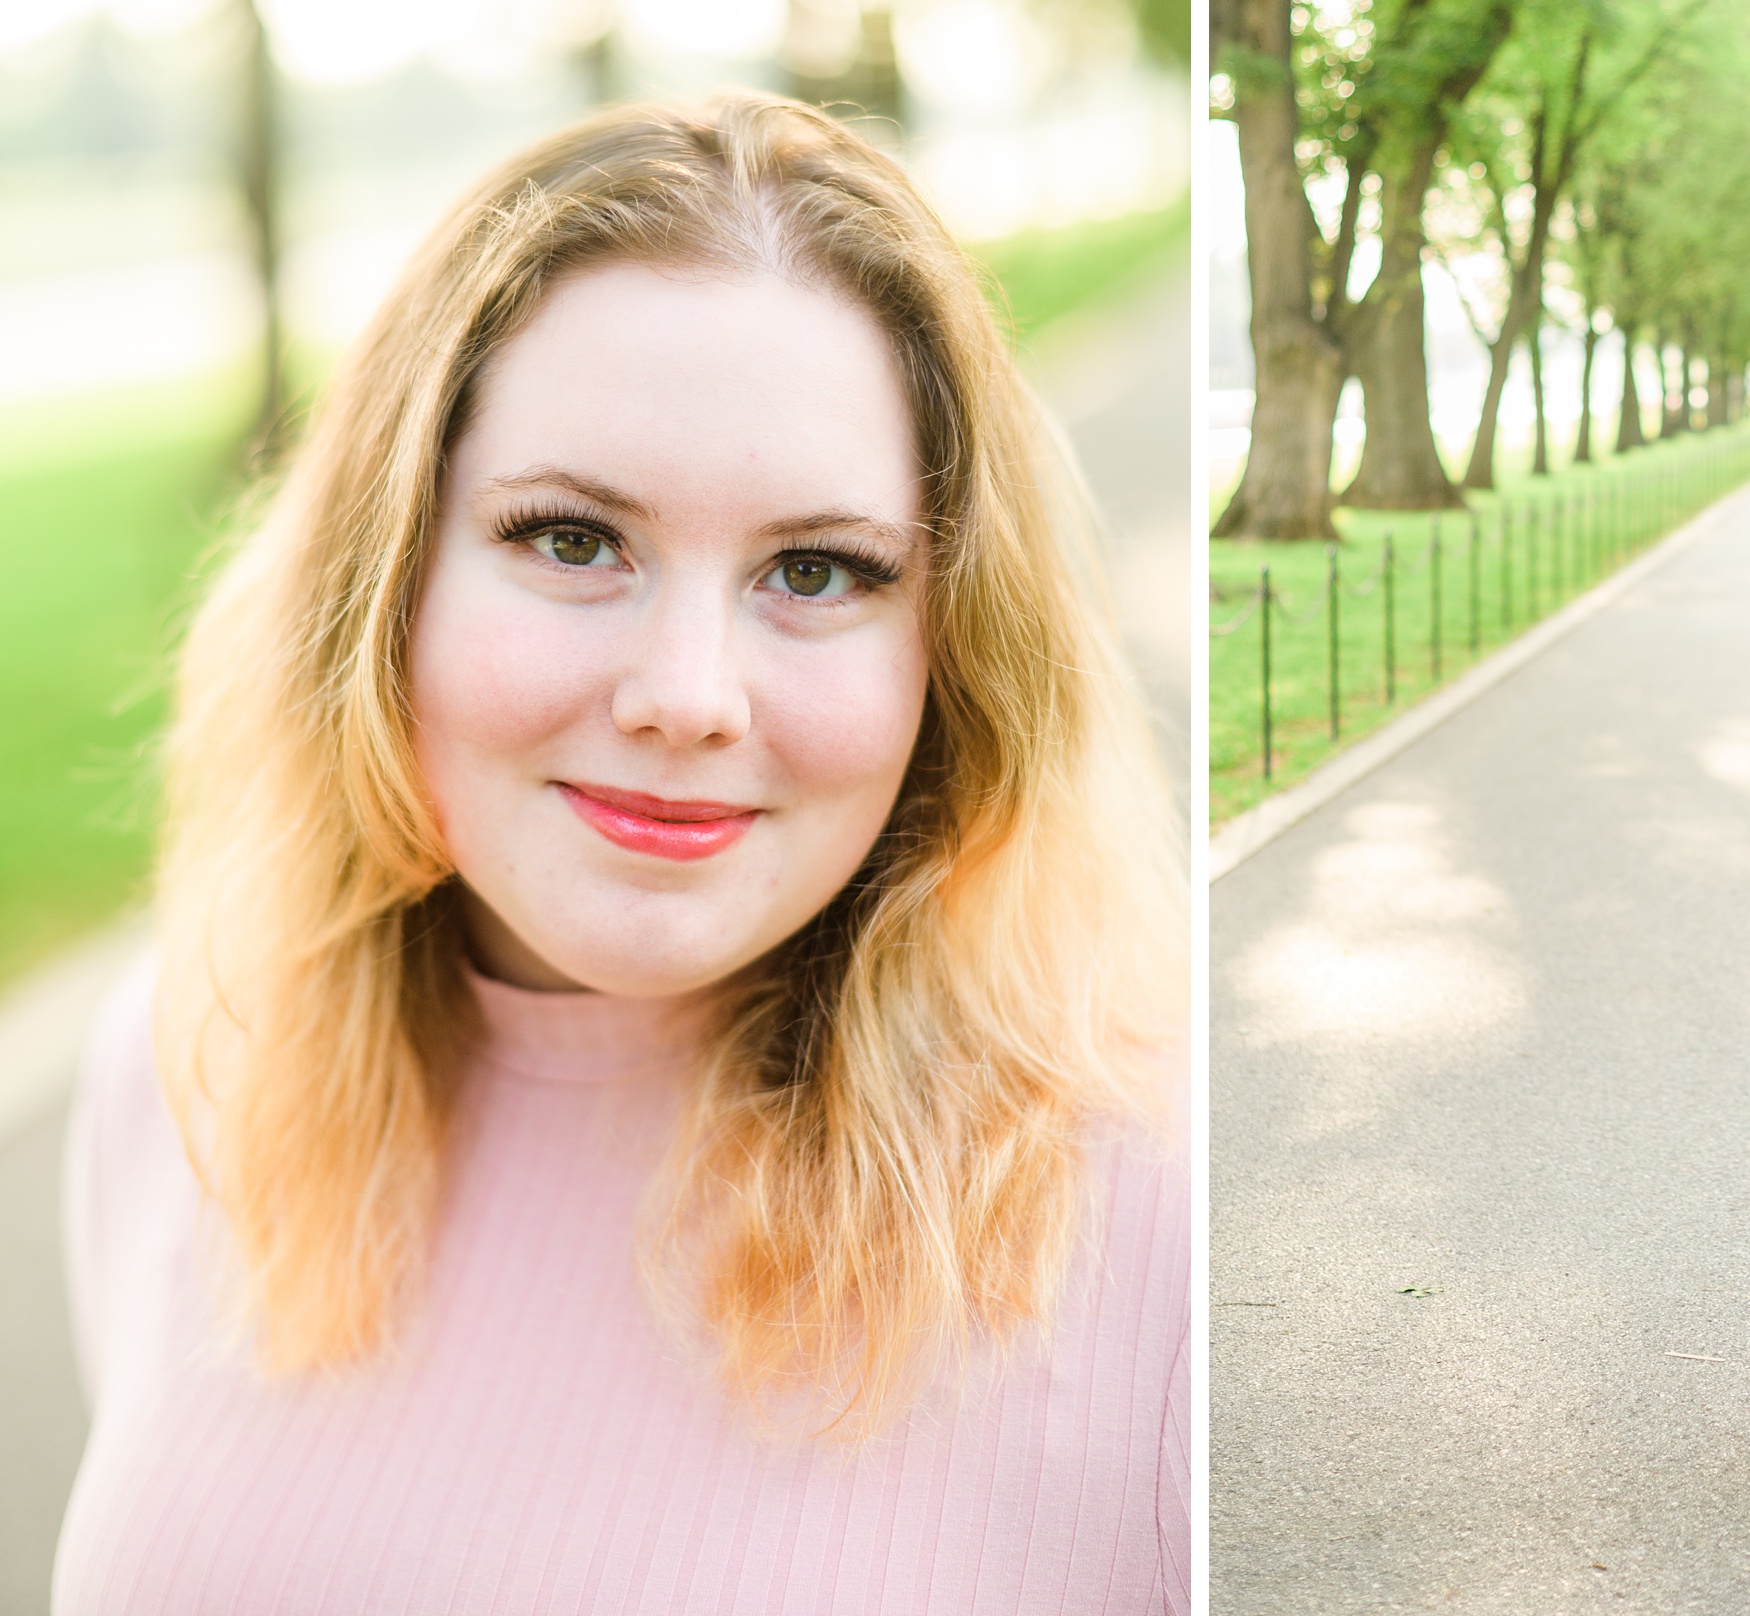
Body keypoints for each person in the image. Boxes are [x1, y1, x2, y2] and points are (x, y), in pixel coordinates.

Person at [53, 94, 1190, 1611]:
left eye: (816, 570)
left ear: (955, 654)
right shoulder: (186, 1067)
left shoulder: (1160, 1237)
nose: (686, 697)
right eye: (573, 541)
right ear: (387, 578)